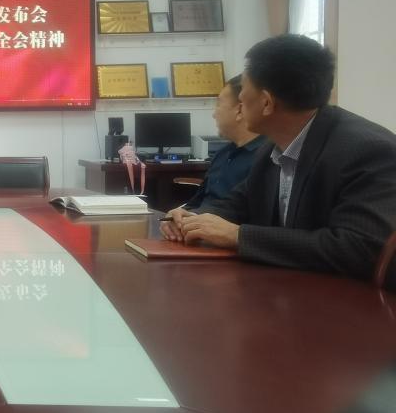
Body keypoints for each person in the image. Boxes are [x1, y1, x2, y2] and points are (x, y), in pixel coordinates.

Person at [160, 34, 396, 282]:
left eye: (244, 91)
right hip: (286, 288)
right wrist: (192, 219)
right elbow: (238, 204)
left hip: (348, 299)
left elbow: (360, 248)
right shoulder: (273, 148)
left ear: (267, 103)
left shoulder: (368, 151)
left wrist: (238, 236)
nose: (240, 101)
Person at [164, 75, 265, 215]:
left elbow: (244, 214)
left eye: (218, 104)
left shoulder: (266, 159)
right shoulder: (222, 154)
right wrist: (178, 214)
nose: (214, 114)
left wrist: (195, 218)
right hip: (198, 222)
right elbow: (198, 201)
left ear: (239, 110)